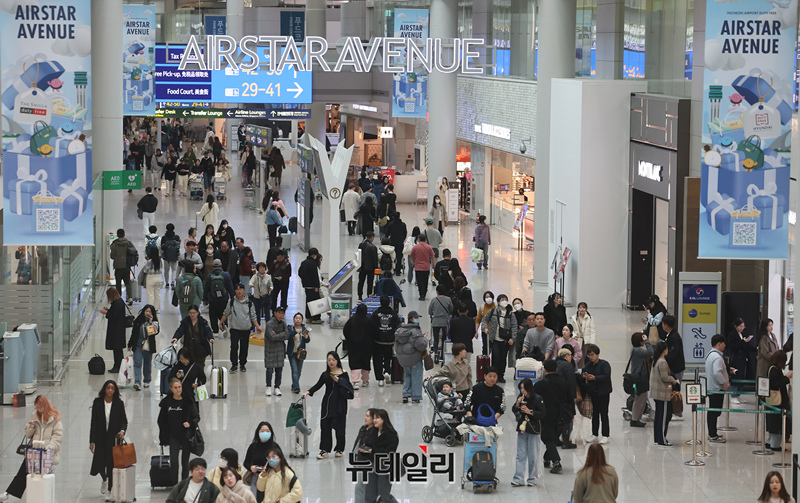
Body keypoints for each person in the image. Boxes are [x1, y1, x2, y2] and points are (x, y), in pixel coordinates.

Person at [0, 395, 63, 502]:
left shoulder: (55, 419)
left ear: (46, 406)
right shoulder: (34, 416)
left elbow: (57, 438)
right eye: (37, 408)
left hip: (47, 453)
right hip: (34, 452)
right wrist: (32, 426)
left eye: (41, 408)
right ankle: (8, 493)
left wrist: (48, 447)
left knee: (46, 476)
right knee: (23, 473)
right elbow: (28, 434)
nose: (39, 410)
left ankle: (49, 497)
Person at [303, 351, 355, 459]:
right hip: (327, 404)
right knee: (325, 427)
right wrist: (308, 392)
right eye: (329, 360)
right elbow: (318, 385)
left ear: (337, 361)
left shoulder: (343, 374)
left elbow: (348, 388)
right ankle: (325, 450)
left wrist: (338, 380)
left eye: (333, 360)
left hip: (340, 405)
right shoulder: (325, 374)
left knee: (340, 428)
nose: (331, 362)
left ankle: (339, 449)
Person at [158, 378, 200, 483]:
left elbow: (196, 417)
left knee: (185, 462)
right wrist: (163, 439)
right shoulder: (166, 402)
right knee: (174, 461)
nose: (178, 390)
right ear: (171, 388)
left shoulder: (188, 401)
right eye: (175, 388)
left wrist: (190, 423)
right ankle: (175, 484)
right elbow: (161, 421)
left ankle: (184, 483)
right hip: (173, 436)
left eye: (179, 387)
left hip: (186, 435)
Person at [89, 380, 128, 496]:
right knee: (100, 462)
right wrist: (92, 440)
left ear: (115, 390)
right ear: (104, 389)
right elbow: (94, 423)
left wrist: (122, 430)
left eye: (112, 388)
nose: (110, 390)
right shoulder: (97, 402)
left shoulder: (118, 403)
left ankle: (111, 489)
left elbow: (124, 421)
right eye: (108, 388)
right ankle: (104, 479)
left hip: (113, 439)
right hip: (100, 438)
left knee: (111, 463)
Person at [534, 360, 569, 473]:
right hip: (561, 415)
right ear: (556, 369)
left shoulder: (540, 385)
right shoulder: (564, 383)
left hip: (546, 416)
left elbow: (535, 400)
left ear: (544, 370)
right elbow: (569, 399)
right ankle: (547, 458)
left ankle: (556, 462)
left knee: (548, 439)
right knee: (553, 439)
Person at [510, 378, 546, 487]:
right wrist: (517, 404)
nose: (522, 391)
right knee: (520, 454)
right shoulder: (521, 398)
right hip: (522, 428)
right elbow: (514, 410)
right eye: (520, 388)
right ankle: (518, 478)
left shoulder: (538, 398)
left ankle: (532, 478)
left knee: (533, 455)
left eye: (524, 388)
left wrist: (530, 412)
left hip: (533, 429)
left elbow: (543, 413)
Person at [221, 284, 262, 373]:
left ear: (244, 290)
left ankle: (242, 364)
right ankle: (234, 364)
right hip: (234, 328)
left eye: (241, 289)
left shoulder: (249, 302)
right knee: (234, 347)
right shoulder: (231, 301)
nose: (239, 291)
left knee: (244, 347)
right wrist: (221, 322)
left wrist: (258, 326)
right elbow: (226, 313)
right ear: (235, 291)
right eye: (237, 289)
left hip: (246, 329)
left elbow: (253, 316)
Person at [364, 409, 399, 502]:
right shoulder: (373, 432)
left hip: (385, 465)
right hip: (372, 464)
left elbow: (390, 452)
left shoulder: (391, 434)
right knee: (369, 494)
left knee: (383, 494)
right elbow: (368, 445)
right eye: (374, 418)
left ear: (384, 419)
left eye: (377, 418)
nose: (375, 420)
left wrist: (373, 451)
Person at [395, 310, 429, 404]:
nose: (417, 320)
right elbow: (421, 345)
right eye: (416, 318)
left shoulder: (400, 330)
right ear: (411, 319)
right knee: (416, 376)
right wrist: (425, 339)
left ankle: (406, 394)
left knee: (407, 375)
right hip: (414, 359)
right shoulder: (416, 331)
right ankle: (416, 396)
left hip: (404, 359)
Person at [481, 293, 515, 382]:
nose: (504, 301)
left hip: (505, 340)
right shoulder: (492, 312)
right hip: (494, 339)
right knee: (495, 356)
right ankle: (494, 374)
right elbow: (484, 320)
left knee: (503, 358)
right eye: (502, 300)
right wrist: (485, 328)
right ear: (498, 302)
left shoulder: (510, 314)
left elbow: (514, 326)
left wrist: (513, 338)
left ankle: (501, 375)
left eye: (505, 300)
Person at [582, 344, 612, 444]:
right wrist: (585, 377)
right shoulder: (588, 365)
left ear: (597, 354)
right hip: (593, 393)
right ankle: (594, 434)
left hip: (603, 393)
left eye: (592, 355)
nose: (591, 357)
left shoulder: (604, 364)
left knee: (604, 414)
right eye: (589, 355)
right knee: (594, 414)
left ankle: (605, 435)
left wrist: (595, 378)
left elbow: (606, 376)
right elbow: (584, 372)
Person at [650, 341, 677, 447]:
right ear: (664, 350)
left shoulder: (656, 360)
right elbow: (665, 377)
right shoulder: (662, 362)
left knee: (658, 416)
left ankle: (657, 438)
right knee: (664, 417)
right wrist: (674, 380)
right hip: (663, 393)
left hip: (657, 393)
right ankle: (662, 439)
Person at [127, 304, 159, 390]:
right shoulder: (138, 321)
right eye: (147, 311)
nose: (148, 313)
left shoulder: (155, 323)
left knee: (147, 364)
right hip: (138, 344)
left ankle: (147, 380)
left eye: (150, 312)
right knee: (137, 363)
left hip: (148, 345)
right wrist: (130, 344)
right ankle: (137, 382)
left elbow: (153, 333)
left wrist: (150, 322)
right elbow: (133, 333)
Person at [705, 334, 730, 443]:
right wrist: (724, 383)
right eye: (723, 343)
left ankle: (713, 433)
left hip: (711, 387)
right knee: (714, 412)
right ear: (719, 344)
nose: (725, 345)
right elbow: (716, 372)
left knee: (713, 411)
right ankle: (712, 435)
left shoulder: (711, 355)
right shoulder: (717, 357)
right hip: (716, 388)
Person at [371, 295, 401, 386]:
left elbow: (372, 327)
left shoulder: (375, 314)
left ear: (380, 303)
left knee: (378, 359)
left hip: (378, 340)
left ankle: (380, 379)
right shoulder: (393, 313)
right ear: (389, 303)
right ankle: (387, 371)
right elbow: (398, 325)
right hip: (390, 340)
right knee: (388, 357)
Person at [243, 422, 279, 495]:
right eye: (262, 431)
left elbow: (280, 462)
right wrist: (251, 468)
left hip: (271, 477)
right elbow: (246, 462)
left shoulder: (275, 447)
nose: (265, 433)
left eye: (267, 431)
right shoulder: (253, 446)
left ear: (271, 433)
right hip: (256, 477)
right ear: (258, 432)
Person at [767, 350, 792, 451]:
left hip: (773, 401)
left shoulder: (771, 367)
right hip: (778, 401)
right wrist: (786, 378)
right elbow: (775, 384)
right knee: (777, 425)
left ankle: (770, 442)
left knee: (773, 424)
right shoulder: (775, 370)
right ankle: (775, 445)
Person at [344, 304, 373, 390]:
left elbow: (345, 331)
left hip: (353, 346)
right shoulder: (369, 321)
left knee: (354, 363)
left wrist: (349, 340)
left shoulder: (352, 320)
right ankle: (365, 381)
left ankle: (355, 382)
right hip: (367, 347)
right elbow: (374, 332)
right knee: (365, 363)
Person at [352, 409, 379, 502]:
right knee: (360, 486)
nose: (365, 418)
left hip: (371, 463)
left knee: (362, 486)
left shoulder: (376, 432)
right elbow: (358, 442)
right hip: (362, 461)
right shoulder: (364, 428)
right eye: (365, 415)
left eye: (368, 416)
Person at [204, 259, 235, 337]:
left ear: (213, 266)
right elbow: (230, 288)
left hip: (213, 299)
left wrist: (205, 299)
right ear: (221, 265)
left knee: (213, 315)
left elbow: (206, 289)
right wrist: (233, 298)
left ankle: (215, 331)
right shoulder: (226, 275)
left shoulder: (209, 276)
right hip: (223, 299)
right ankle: (225, 326)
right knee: (224, 313)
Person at [661, 314, 685, 418]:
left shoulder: (674, 337)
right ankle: (674, 411)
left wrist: (663, 361)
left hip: (676, 368)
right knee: (672, 390)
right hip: (673, 367)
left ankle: (678, 412)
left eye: (663, 324)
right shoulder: (670, 335)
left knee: (676, 389)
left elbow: (672, 354)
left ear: (666, 325)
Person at [628, 332, 653, 427]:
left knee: (642, 399)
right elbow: (650, 352)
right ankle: (634, 419)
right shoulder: (637, 351)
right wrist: (647, 341)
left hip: (640, 377)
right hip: (639, 378)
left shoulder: (635, 350)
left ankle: (637, 418)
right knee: (639, 399)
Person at [99, 287, 127, 373]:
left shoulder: (117, 303)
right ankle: (117, 365)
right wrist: (109, 311)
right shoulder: (119, 302)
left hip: (116, 330)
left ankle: (117, 366)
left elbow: (114, 317)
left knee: (117, 349)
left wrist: (106, 313)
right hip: (118, 329)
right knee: (117, 349)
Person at [555, 348, 578, 448]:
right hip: (565, 396)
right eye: (570, 355)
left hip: (555, 395)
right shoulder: (568, 366)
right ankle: (566, 441)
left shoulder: (555, 364)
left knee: (558, 417)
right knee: (567, 418)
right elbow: (571, 383)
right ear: (566, 356)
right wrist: (573, 396)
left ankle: (556, 439)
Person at [726, 317, 752, 404]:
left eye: (743, 326)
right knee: (736, 377)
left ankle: (738, 394)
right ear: (735, 326)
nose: (742, 328)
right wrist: (742, 341)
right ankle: (733, 395)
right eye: (740, 326)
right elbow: (733, 348)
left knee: (742, 377)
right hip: (736, 359)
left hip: (744, 359)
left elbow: (746, 346)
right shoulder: (732, 335)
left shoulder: (743, 334)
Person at [109, 228, 136, 305]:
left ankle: (118, 298)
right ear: (124, 234)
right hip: (127, 265)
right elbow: (133, 252)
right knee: (127, 282)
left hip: (118, 266)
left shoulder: (114, 244)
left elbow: (112, 256)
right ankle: (130, 298)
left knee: (118, 282)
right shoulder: (128, 243)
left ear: (117, 235)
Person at [286, 313, 310, 394]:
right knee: (295, 370)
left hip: (301, 353)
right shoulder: (290, 328)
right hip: (292, 353)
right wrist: (295, 332)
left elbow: (307, 341)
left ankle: (294, 384)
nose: (298, 319)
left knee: (299, 370)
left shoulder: (304, 329)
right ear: (293, 319)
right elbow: (288, 337)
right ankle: (296, 387)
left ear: (302, 320)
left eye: (299, 318)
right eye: (296, 318)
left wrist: (306, 337)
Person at [429, 284, 454, 356]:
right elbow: (451, 310)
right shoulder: (448, 299)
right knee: (443, 338)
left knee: (436, 338)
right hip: (445, 321)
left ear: (437, 292)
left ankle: (436, 352)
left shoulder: (433, 300)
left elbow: (429, 311)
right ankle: (443, 353)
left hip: (436, 321)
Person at [298, 248, 323, 323]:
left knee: (308, 301)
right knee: (315, 301)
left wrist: (305, 280)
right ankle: (316, 318)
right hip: (312, 286)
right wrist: (316, 286)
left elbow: (300, 273)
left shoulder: (304, 262)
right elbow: (314, 276)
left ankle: (308, 317)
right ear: (314, 255)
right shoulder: (313, 263)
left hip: (306, 286)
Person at [570, 302, 596, 369]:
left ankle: (586, 370)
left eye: (583, 307)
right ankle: (578, 369)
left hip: (587, 341)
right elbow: (572, 329)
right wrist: (574, 336)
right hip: (578, 340)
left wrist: (592, 342)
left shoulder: (590, 318)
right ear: (578, 308)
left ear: (586, 309)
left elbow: (592, 330)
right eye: (580, 307)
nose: (582, 309)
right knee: (578, 356)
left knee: (586, 356)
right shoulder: (574, 318)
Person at [409, 233, 435, 300]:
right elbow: (432, 256)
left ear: (419, 239)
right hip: (426, 267)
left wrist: (412, 263)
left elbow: (411, 256)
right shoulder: (429, 247)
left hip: (418, 267)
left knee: (420, 281)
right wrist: (433, 264)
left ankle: (421, 295)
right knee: (425, 281)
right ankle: (424, 293)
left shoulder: (415, 247)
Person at [250, 262, 273, 326]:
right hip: (257, 297)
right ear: (258, 269)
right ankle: (258, 326)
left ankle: (268, 325)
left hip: (266, 297)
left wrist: (271, 288)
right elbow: (251, 282)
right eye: (260, 268)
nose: (262, 269)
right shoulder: (255, 276)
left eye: (263, 268)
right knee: (257, 312)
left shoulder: (268, 276)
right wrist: (251, 285)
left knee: (267, 312)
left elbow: (271, 285)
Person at [358, 232, 379, 300]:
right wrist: (376, 268)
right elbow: (375, 259)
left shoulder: (361, 245)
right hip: (370, 268)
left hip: (362, 266)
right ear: (372, 237)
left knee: (361, 281)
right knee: (370, 282)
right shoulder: (374, 247)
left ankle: (360, 296)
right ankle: (369, 295)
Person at [161, 223, 182, 289]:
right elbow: (178, 246)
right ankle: (173, 282)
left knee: (166, 270)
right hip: (175, 256)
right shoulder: (176, 237)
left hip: (166, 256)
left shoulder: (164, 237)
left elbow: (162, 247)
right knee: (174, 269)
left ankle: (167, 283)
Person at [476, 291, 496, 357]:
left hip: (495, 332)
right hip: (485, 331)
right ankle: (485, 363)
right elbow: (478, 320)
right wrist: (476, 331)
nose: (488, 298)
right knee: (485, 348)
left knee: (495, 349)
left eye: (489, 297)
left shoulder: (496, 306)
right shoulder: (482, 308)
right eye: (487, 297)